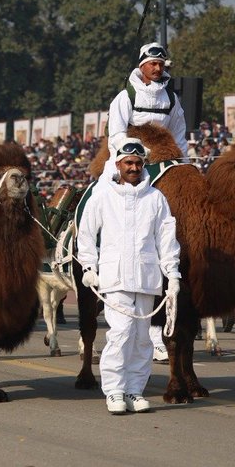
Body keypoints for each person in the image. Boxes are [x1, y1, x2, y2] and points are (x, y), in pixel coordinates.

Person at [76, 138, 181, 415]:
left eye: (138, 163)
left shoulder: (155, 198)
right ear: (118, 164)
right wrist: (88, 267)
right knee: (121, 333)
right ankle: (114, 390)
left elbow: (166, 239)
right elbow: (86, 233)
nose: (133, 167)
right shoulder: (103, 195)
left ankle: (135, 390)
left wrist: (173, 274)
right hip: (115, 276)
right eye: (128, 163)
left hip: (147, 277)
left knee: (143, 338)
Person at [105, 42, 187, 362]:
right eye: (153, 63)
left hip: (164, 159)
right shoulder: (125, 97)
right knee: (102, 194)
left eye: (161, 63)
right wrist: (132, 160)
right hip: (130, 159)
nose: (158, 67)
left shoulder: (172, 98)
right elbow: (116, 134)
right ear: (142, 65)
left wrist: (180, 161)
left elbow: (178, 132)